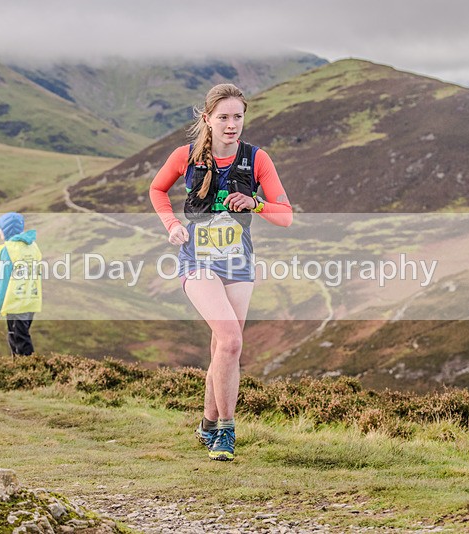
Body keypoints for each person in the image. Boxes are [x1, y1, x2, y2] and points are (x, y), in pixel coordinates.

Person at [149, 83, 292, 461]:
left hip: (239, 262)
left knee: (221, 348)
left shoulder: (257, 159)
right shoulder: (185, 157)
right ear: (207, 119)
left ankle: (208, 424)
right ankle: (226, 431)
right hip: (197, 260)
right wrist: (170, 225)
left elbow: (286, 216)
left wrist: (256, 204)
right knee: (230, 341)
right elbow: (157, 190)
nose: (232, 125)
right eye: (223, 117)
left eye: (238, 117)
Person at [0, 212, 42, 356]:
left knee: (19, 341)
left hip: (17, 303)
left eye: (0, 229)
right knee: (20, 337)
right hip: (31, 301)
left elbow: (2, 282)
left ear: (8, 230)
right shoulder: (33, 247)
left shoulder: (8, 250)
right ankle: (22, 372)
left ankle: (30, 372)